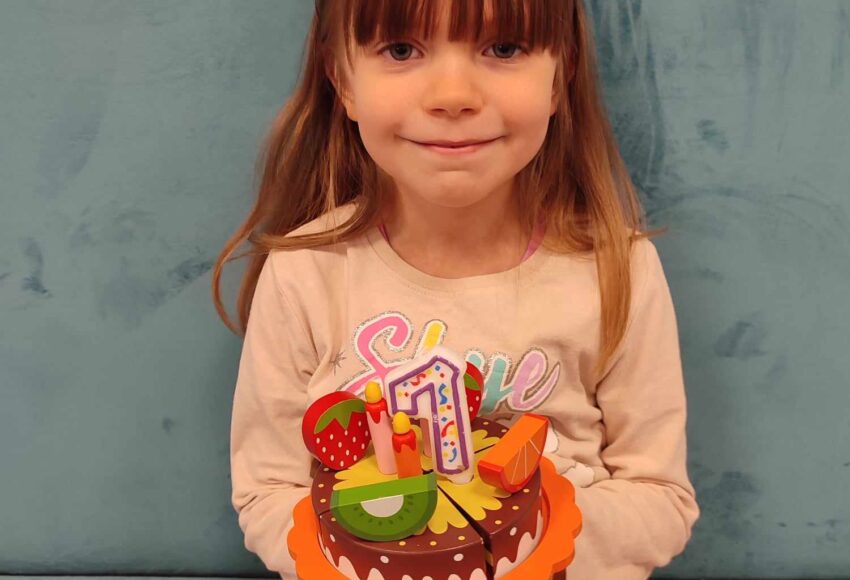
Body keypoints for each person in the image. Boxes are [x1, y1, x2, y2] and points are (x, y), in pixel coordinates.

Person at [212, 0, 699, 578]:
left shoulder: (618, 268)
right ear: (342, 81)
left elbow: (660, 500)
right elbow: (269, 493)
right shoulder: (304, 272)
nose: (452, 95)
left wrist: (510, 546)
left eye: (504, 48)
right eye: (401, 50)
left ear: (559, 77)